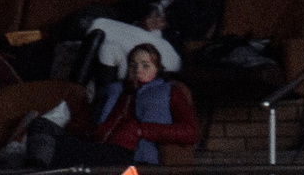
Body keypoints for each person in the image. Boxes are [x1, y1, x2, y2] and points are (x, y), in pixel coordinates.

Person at [56, 44, 201, 168]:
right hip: (100, 146)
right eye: (133, 64)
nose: (138, 70)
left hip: (132, 154)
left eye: (145, 65)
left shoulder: (170, 91)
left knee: (59, 151)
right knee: (53, 141)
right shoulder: (114, 91)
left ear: (157, 68)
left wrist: (141, 129)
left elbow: (190, 132)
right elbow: (89, 122)